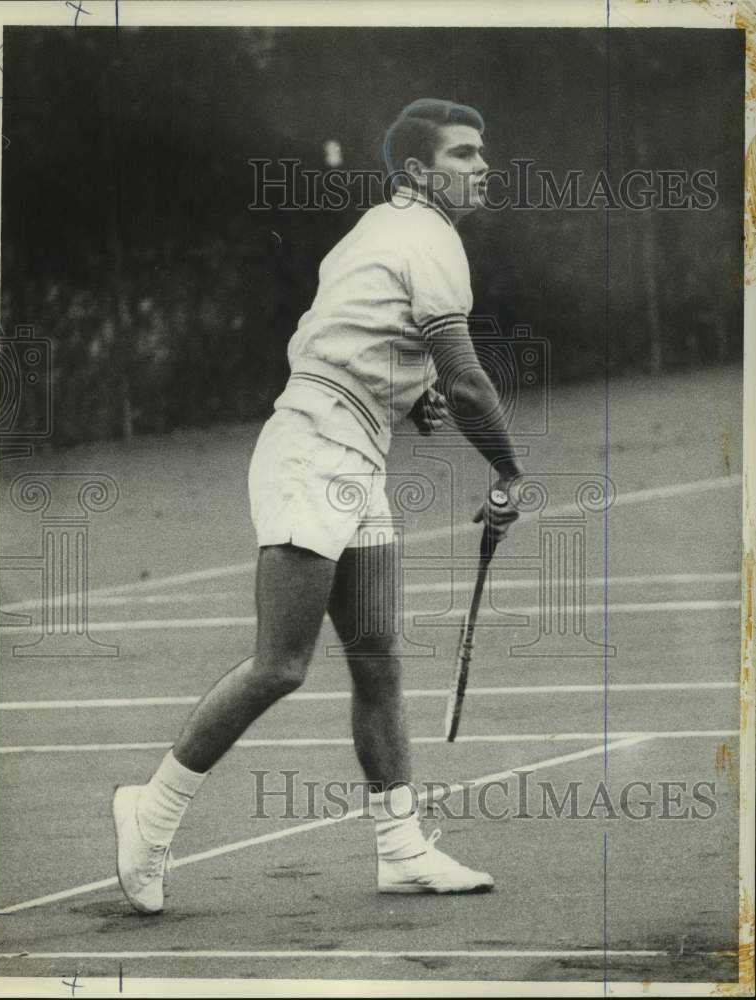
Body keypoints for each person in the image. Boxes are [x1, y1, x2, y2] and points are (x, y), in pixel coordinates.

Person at [113, 98, 523, 913]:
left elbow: (352, 337)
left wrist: (407, 399)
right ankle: (149, 812)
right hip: (313, 450)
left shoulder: (378, 231)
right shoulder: (427, 238)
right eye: (464, 154)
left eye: (482, 153)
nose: (482, 167)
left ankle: (402, 850)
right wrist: (508, 469)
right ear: (417, 172)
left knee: (377, 660)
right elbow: (467, 376)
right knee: (281, 664)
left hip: (352, 449)